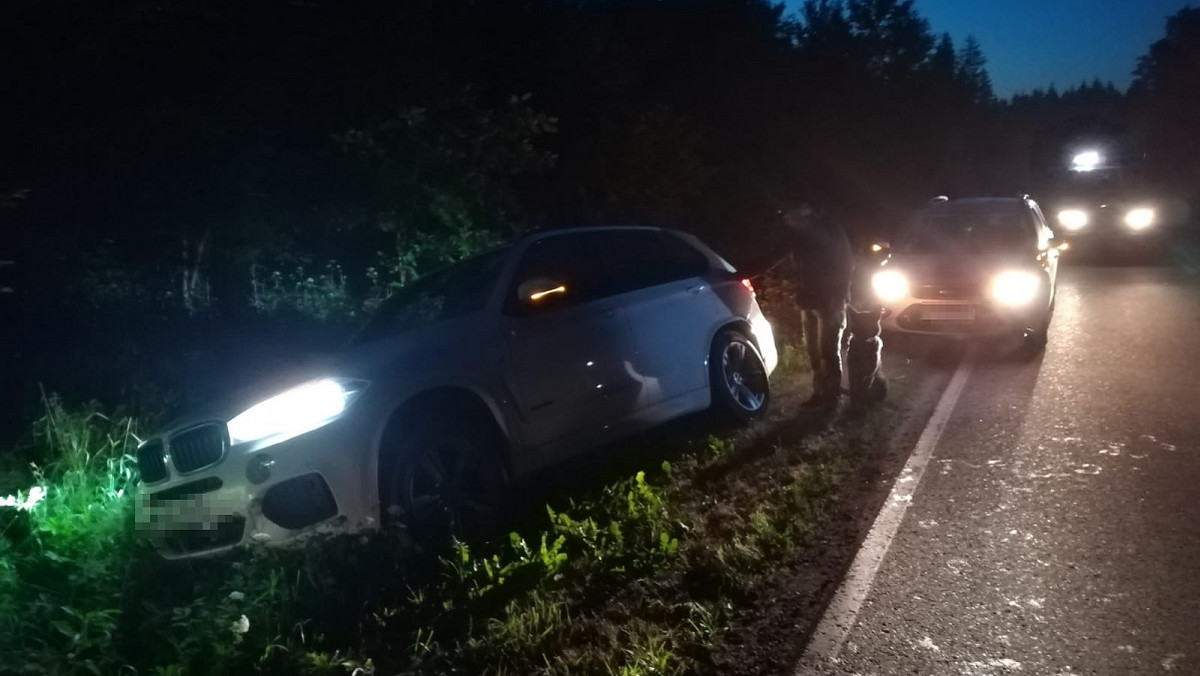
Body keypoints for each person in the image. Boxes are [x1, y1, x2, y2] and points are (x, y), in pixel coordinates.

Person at [781, 203, 854, 409]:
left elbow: (846, 264)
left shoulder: (831, 232)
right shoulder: (799, 237)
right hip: (808, 301)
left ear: (805, 212)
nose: (787, 220)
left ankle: (832, 396)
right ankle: (819, 392)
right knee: (814, 351)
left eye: (790, 216)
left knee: (828, 351)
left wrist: (840, 295)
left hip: (830, 301)